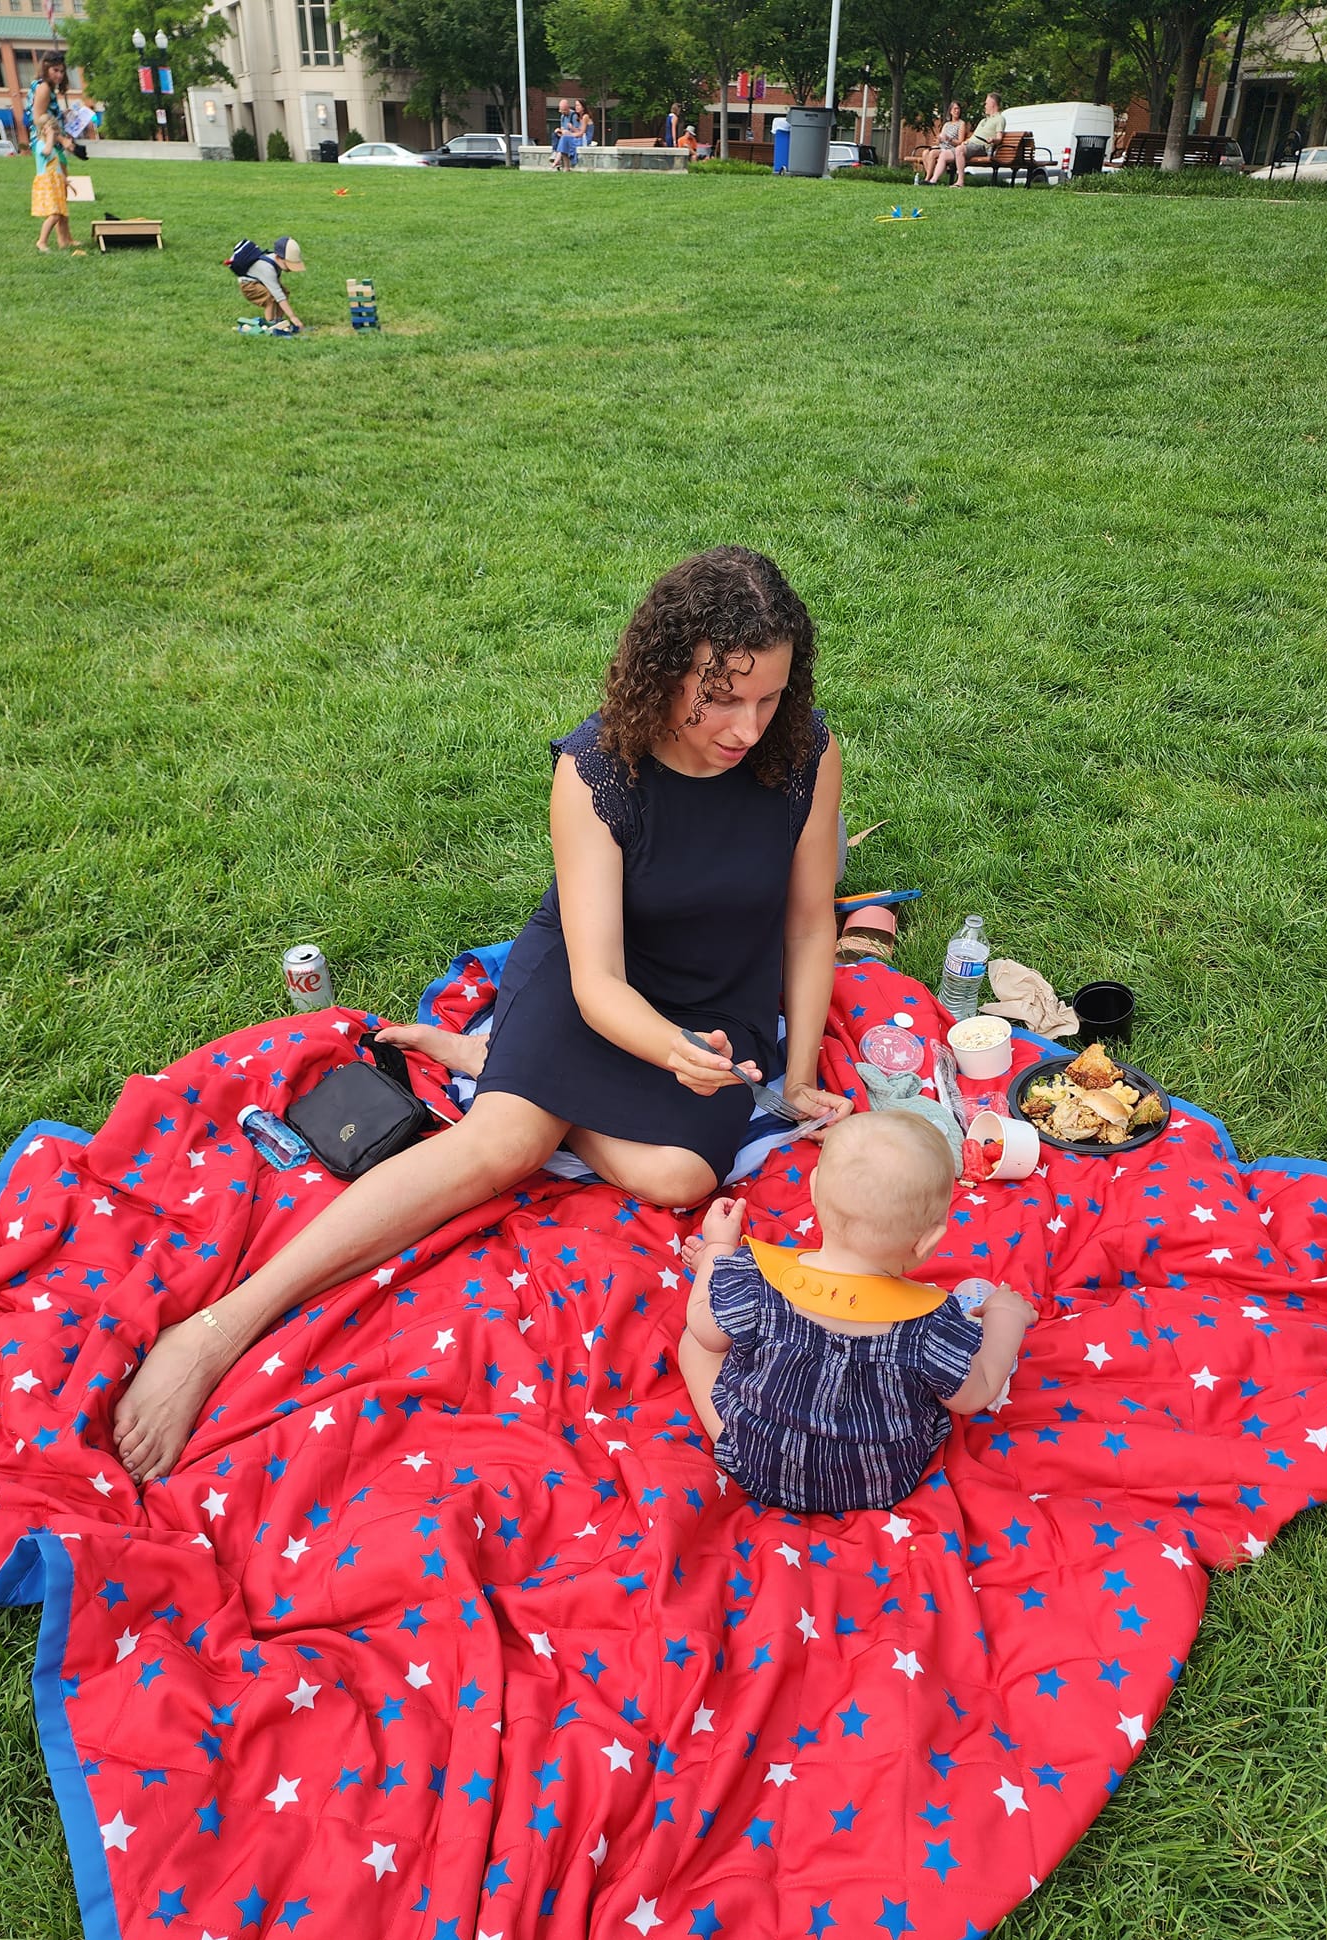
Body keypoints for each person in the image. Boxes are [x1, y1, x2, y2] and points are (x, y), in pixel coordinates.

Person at [112, 547, 851, 1485]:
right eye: (721, 698)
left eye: (770, 697)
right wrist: (667, 1054)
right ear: (666, 672)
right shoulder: (597, 772)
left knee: (676, 1179)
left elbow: (806, 923)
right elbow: (597, 985)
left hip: (717, 999)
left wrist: (793, 1079)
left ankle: (500, 1062)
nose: (748, 726)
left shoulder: (805, 754)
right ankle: (219, 1330)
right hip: (601, 982)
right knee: (498, 1148)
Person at [676, 1114, 1039, 1513]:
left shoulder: (755, 1278)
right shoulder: (932, 1325)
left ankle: (733, 1437)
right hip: (877, 1482)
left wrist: (717, 1252)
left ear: (813, 1189)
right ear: (929, 1242)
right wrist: (1006, 1317)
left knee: (695, 1342)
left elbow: (706, 1329)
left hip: (759, 1466)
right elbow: (976, 1393)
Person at [229, 235, 305, 329]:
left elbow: (280, 292)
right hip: (249, 285)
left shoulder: (276, 263)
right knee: (269, 298)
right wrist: (293, 317)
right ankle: (270, 324)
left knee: (284, 292)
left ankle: (279, 321)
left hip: (259, 281)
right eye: (287, 263)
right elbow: (278, 296)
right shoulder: (267, 269)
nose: (290, 268)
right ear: (278, 258)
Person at [935, 90, 1006, 185]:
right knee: (944, 155)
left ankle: (960, 181)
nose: (985, 106)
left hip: (982, 146)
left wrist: (993, 140)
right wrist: (967, 141)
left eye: (986, 103)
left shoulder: (1000, 119)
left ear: (992, 104)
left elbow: (999, 138)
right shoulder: (984, 120)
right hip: (971, 145)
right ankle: (933, 181)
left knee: (959, 150)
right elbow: (974, 136)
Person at [30, 115, 78, 253]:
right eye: (54, 132)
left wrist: (65, 181)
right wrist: (50, 137)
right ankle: (41, 241)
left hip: (55, 183)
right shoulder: (40, 144)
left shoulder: (54, 149)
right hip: (47, 184)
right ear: (44, 130)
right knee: (54, 215)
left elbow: (56, 167)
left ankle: (65, 242)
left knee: (62, 214)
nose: (56, 135)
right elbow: (46, 152)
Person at [920, 100, 966, 184]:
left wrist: (949, 139)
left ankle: (927, 179)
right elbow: (941, 137)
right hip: (942, 146)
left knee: (932, 153)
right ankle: (931, 176)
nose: (957, 111)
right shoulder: (947, 124)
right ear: (950, 111)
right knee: (925, 153)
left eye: (958, 109)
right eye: (955, 109)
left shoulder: (961, 124)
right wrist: (939, 139)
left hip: (951, 149)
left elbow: (960, 142)